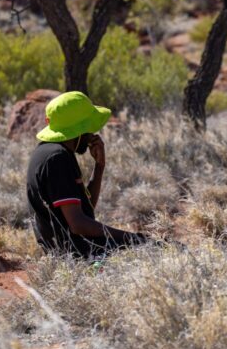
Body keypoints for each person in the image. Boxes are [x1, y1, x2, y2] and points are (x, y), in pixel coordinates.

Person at [27, 91, 146, 259]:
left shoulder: (49, 151)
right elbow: (78, 225)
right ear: (79, 130)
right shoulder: (58, 158)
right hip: (78, 253)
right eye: (89, 127)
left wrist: (99, 167)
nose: (93, 134)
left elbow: (85, 208)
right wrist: (131, 237)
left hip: (68, 251)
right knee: (158, 250)